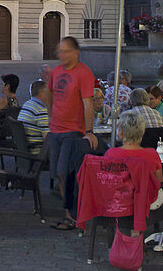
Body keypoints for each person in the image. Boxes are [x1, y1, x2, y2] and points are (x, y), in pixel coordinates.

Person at [45, 36, 98, 230]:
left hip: (73, 131)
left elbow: (88, 102)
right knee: (59, 174)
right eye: (59, 51)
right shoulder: (56, 71)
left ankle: (76, 215)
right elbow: (49, 94)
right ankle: (68, 214)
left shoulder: (84, 72)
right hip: (56, 130)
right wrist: (51, 118)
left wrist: (89, 130)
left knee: (66, 172)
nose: (61, 55)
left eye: (65, 51)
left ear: (76, 52)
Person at [100, 110, 163, 239]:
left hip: (117, 200)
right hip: (146, 201)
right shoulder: (151, 154)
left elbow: (105, 181)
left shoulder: (111, 154)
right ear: (141, 132)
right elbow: (159, 181)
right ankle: (136, 232)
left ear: (121, 132)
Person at [17, 80, 50, 152]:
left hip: (27, 149)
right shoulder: (41, 110)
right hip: (38, 151)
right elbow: (48, 140)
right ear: (42, 93)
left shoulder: (28, 104)